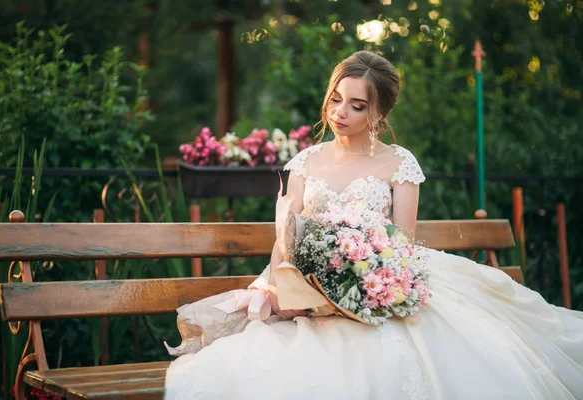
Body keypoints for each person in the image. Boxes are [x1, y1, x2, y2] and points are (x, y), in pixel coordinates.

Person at [164, 51, 583, 399]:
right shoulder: (306, 162)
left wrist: (362, 285)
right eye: (336, 99)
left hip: (377, 280)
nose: (339, 112)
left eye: (356, 105)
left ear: (379, 111)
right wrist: (277, 286)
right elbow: (286, 238)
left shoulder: (399, 163)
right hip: (305, 286)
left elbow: (402, 245)